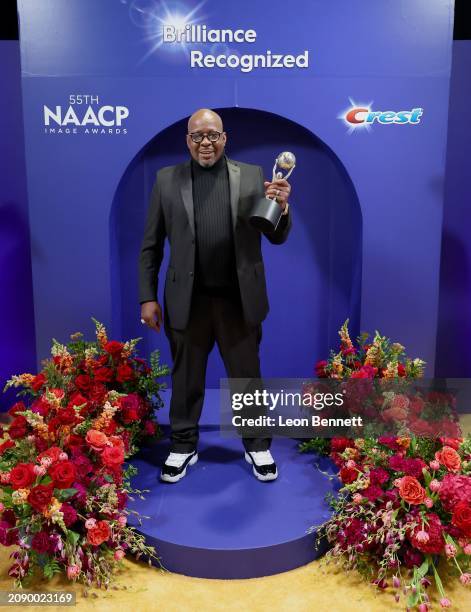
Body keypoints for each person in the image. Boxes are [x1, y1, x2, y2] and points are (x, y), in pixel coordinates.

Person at [139, 108, 292, 483]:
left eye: (212, 135)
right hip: (186, 300)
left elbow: (275, 235)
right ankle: (183, 445)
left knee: (246, 378)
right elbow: (151, 246)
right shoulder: (166, 179)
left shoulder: (254, 176)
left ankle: (257, 446)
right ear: (187, 140)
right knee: (186, 379)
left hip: (238, 300)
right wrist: (147, 296)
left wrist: (282, 207)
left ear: (225, 138)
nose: (205, 143)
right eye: (197, 136)